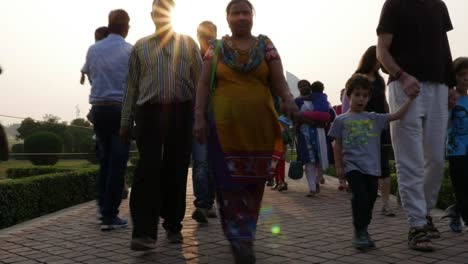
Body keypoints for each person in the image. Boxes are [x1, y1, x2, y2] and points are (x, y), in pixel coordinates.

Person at [193, 0, 299, 262]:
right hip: (224, 128)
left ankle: (246, 234)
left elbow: (279, 81)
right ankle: (239, 239)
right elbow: (204, 84)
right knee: (229, 184)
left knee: (253, 184)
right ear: (227, 18)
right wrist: (198, 117)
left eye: (245, 13)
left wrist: (289, 99)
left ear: (252, 17)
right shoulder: (215, 49)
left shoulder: (265, 45)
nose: (241, 17)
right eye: (235, 13)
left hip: (259, 128)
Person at [120, 0, 202, 251]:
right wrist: (125, 121)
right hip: (149, 113)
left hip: (181, 111)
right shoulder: (140, 46)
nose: (161, 15)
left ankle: (173, 225)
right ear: (152, 15)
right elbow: (131, 86)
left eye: (166, 10)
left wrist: (202, 119)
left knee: (176, 169)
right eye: (157, 11)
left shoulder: (188, 43)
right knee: (147, 170)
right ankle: (143, 232)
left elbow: (200, 84)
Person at [376, 0, 456, 251]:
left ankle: (424, 212)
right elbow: (382, 50)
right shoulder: (393, 4)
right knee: (409, 159)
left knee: (435, 158)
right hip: (405, 87)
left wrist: (451, 84)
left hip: (438, 87)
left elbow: (443, 47)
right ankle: (417, 225)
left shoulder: (439, 5)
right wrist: (402, 76)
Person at [329, 74, 414, 250]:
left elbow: (397, 115)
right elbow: (337, 145)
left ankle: (364, 228)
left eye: (365, 95)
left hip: (372, 168)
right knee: (359, 197)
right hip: (353, 167)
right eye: (357, 94)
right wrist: (339, 167)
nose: (361, 98)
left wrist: (411, 99)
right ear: (348, 95)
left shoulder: (374, 118)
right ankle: (359, 232)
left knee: (369, 200)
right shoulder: (341, 120)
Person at [82, 9, 132, 231]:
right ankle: (110, 215)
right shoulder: (130, 50)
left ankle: (103, 207)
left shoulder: (93, 49)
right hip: (120, 110)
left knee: (105, 159)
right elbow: (135, 83)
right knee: (117, 162)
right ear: (126, 26)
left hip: (98, 109)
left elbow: (91, 76)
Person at [354, 45, 395, 217]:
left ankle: (386, 203)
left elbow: (384, 101)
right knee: (364, 163)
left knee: (383, 164)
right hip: (362, 125)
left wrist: (388, 118)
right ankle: (364, 198)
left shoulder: (380, 80)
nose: (381, 63)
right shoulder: (357, 78)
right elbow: (351, 100)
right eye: (379, 59)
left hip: (379, 124)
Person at [191, 20, 218, 224]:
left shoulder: (222, 54)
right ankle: (202, 203)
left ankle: (209, 202)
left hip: (219, 115)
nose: (207, 37)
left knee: (215, 162)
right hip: (198, 114)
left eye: (210, 34)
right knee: (200, 161)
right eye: (203, 34)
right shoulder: (190, 54)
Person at [295, 80, 333, 197]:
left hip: (319, 133)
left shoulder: (320, 99)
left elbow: (330, 115)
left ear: (310, 87)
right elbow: (295, 116)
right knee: (309, 160)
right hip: (305, 135)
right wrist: (310, 121)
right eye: (300, 86)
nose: (303, 88)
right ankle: (312, 188)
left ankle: (317, 181)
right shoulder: (297, 101)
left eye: (305, 85)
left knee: (321, 159)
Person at [445, 57, 468, 233]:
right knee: (461, 188)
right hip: (456, 151)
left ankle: (456, 210)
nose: (465, 78)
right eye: (461, 75)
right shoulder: (450, 100)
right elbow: (443, 124)